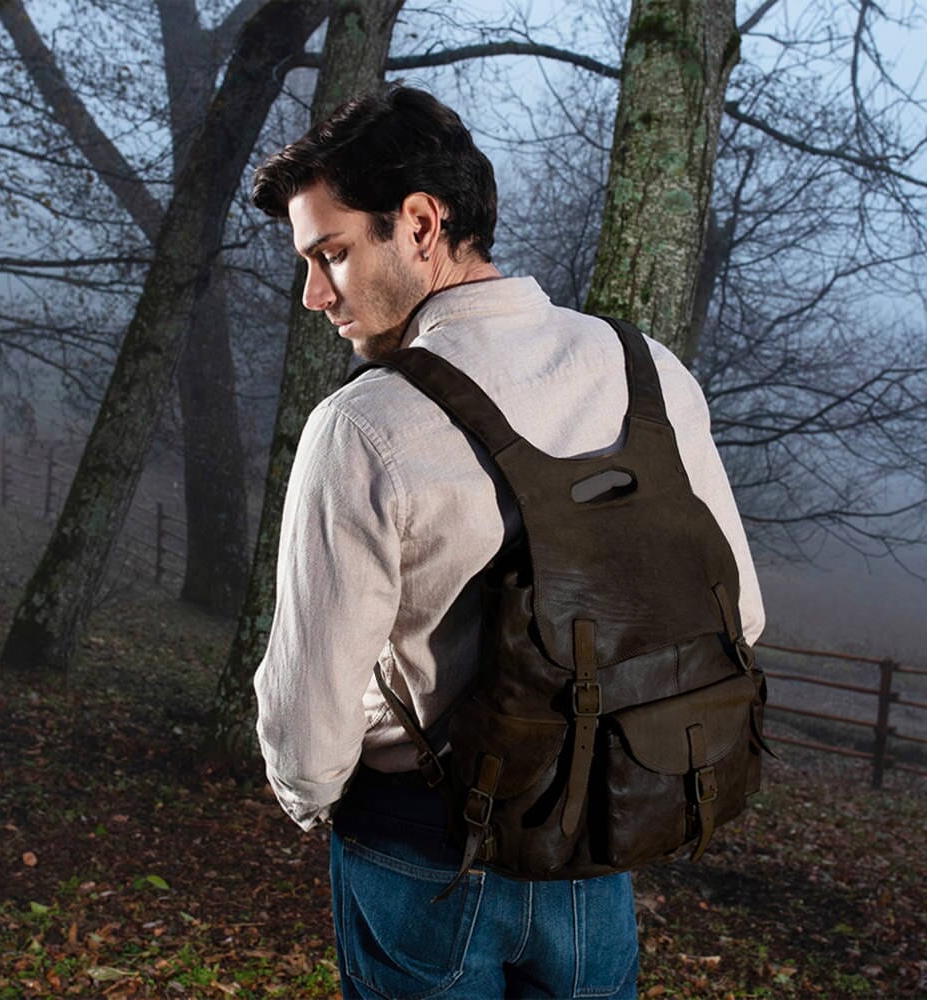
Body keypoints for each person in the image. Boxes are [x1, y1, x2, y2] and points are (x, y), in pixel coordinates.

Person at [251, 83, 765, 999]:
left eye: (331, 254)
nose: (314, 294)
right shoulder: (649, 373)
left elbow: (309, 730)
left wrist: (313, 795)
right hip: (600, 843)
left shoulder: (365, 425)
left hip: (420, 852)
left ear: (419, 223)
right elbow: (742, 616)